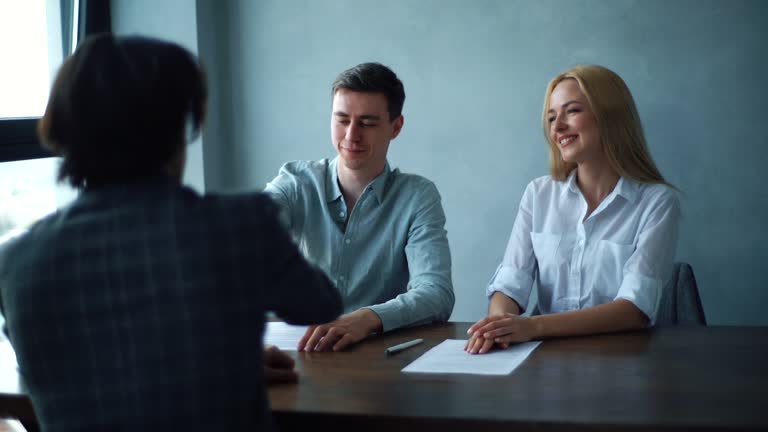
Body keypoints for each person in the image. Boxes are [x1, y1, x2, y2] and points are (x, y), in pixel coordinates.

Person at [0, 34, 342, 431]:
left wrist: (216, 358)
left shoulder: (15, 262)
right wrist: (228, 360)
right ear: (177, 130)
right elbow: (320, 304)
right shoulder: (238, 224)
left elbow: (46, 363)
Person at [466, 64, 680, 354]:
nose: (557, 127)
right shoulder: (538, 194)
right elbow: (512, 283)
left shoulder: (657, 202)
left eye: (572, 111)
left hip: (621, 362)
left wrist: (534, 326)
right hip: (543, 363)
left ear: (609, 116)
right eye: (552, 117)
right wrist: (498, 324)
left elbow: (634, 309)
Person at [264, 62, 454, 352]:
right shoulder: (295, 182)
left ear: (396, 127)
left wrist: (368, 318)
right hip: (302, 353)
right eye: (342, 120)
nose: (351, 135)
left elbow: (436, 293)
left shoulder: (418, 196)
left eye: (367, 123)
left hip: (377, 359)